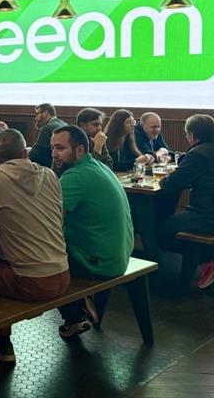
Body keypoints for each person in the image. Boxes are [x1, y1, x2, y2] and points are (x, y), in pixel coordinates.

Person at [0, 129, 68, 369]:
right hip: (63, 273)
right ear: (24, 153)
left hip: (32, 282)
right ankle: (3, 342)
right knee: (0, 261)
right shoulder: (50, 174)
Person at [51, 125, 133, 338]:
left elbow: (50, 223)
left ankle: (76, 311)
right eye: (52, 148)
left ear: (79, 149)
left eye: (60, 148)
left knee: (38, 258)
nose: (54, 154)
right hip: (120, 255)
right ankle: (77, 310)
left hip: (99, 263)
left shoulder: (74, 177)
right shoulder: (99, 167)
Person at [158, 115, 214, 288]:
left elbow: (170, 185)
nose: (187, 138)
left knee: (160, 230)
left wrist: (163, 178)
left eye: (186, 134)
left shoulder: (199, 154)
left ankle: (207, 257)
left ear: (193, 135)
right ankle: (208, 257)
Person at [28, 103, 66, 168]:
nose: (35, 118)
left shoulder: (47, 128)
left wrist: (25, 154)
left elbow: (35, 155)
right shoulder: (64, 124)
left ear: (45, 113)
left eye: (37, 114)